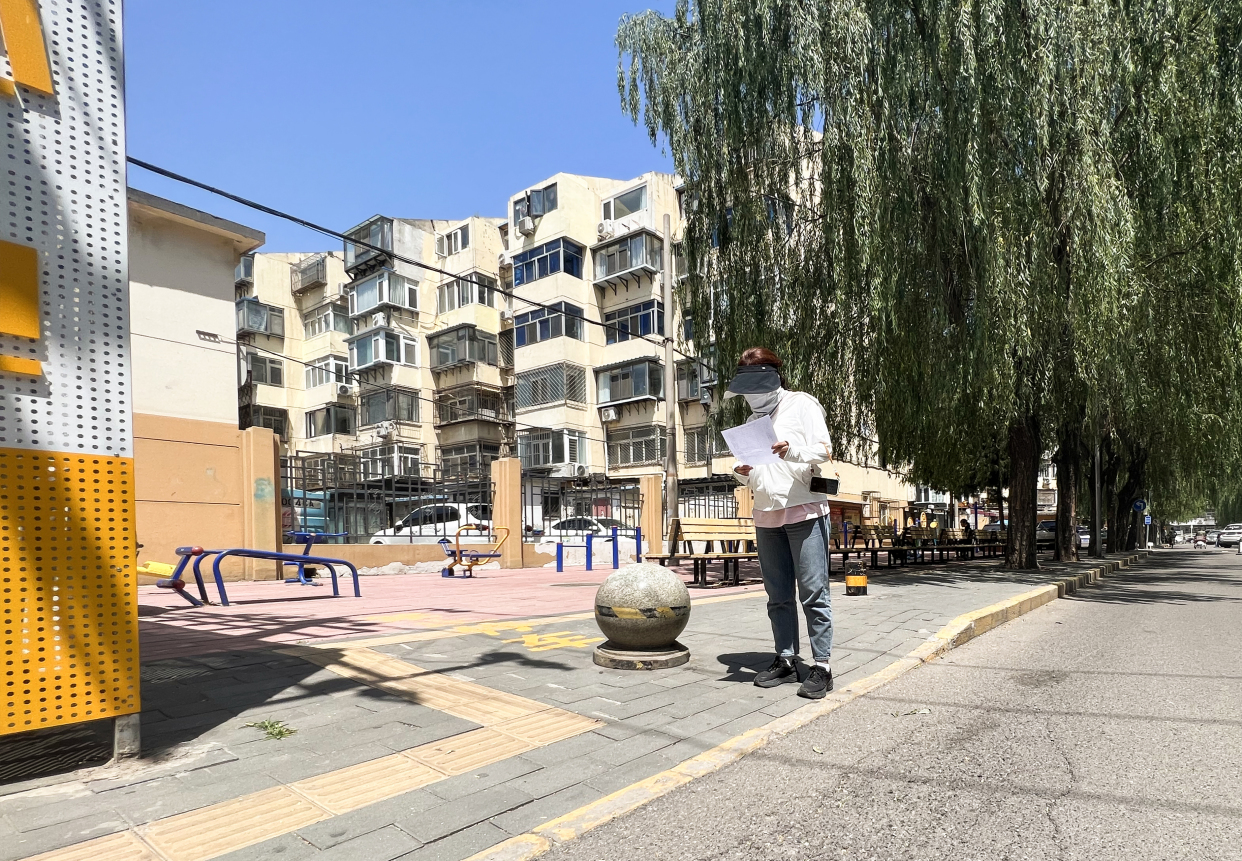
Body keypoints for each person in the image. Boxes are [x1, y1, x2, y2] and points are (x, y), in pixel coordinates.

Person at [728, 347, 835, 699]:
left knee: (813, 592)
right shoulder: (751, 422)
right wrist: (741, 471)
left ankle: (822, 666)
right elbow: (750, 468)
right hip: (766, 515)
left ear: (774, 377)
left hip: (805, 509)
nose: (752, 395)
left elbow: (825, 450)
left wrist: (791, 450)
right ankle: (786, 660)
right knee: (777, 595)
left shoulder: (801, 404)